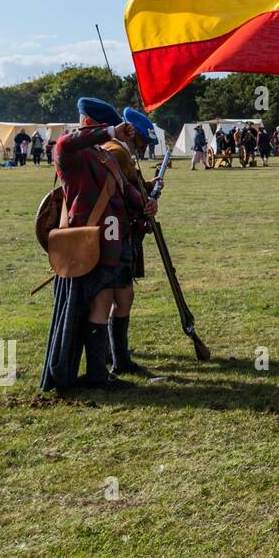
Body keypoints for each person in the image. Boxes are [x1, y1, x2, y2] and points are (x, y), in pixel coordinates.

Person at [40, 98, 155, 391]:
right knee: (99, 304)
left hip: (115, 244)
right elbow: (67, 142)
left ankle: (100, 371)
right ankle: (96, 375)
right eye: (103, 126)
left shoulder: (103, 157)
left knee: (106, 302)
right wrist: (111, 132)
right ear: (90, 124)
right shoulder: (68, 151)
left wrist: (147, 203)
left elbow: (124, 190)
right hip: (89, 243)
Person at [100, 107, 160, 374]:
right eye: (144, 142)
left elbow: (130, 185)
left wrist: (147, 186)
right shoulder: (115, 151)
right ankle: (114, 358)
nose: (144, 148)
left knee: (121, 297)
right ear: (132, 133)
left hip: (122, 233)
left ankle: (116, 356)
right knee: (117, 298)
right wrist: (144, 202)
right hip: (114, 235)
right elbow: (116, 194)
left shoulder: (121, 152)